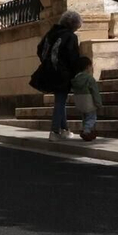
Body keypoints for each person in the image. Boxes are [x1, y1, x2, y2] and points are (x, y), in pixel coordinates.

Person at [29, 10, 83, 140]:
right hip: (62, 73)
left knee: (60, 100)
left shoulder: (50, 33)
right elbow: (73, 57)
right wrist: (76, 72)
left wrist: (47, 63)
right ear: (74, 25)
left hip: (48, 71)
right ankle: (54, 131)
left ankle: (64, 129)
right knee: (60, 101)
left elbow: (40, 49)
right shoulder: (70, 37)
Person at [70, 55, 102, 141]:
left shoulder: (75, 79)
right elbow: (95, 92)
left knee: (85, 118)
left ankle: (86, 130)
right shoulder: (89, 79)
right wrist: (98, 103)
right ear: (88, 67)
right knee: (92, 117)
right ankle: (86, 131)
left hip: (79, 101)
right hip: (89, 101)